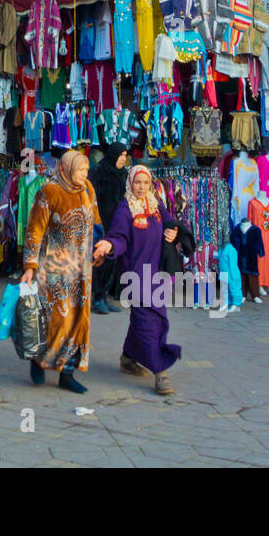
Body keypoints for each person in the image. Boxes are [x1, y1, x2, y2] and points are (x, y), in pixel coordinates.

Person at [20, 150, 106, 393]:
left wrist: (100, 249)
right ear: (67, 169)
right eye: (80, 170)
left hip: (82, 270)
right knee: (56, 320)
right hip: (55, 269)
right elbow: (34, 230)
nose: (84, 174)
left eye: (86, 170)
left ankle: (67, 374)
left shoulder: (88, 189)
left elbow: (96, 222)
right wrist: (30, 266)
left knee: (80, 321)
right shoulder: (49, 191)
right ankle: (39, 360)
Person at [102, 164, 182, 396]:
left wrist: (173, 233)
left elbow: (170, 223)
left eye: (146, 183)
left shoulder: (156, 205)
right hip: (134, 276)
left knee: (148, 319)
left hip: (156, 276)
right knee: (149, 324)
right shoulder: (124, 210)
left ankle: (128, 357)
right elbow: (118, 237)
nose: (141, 187)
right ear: (130, 183)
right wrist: (109, 245)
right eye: (138, 182)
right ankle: (160, 372)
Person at [92, 143, 130, 315]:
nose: (123, 158)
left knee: (112, 261)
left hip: (118, 224)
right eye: (120, 155)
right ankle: (97, 298)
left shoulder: (124, 174)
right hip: (102, 224)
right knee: (101, 261)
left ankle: (104, 296)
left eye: (125, 155)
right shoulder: (100, 173)